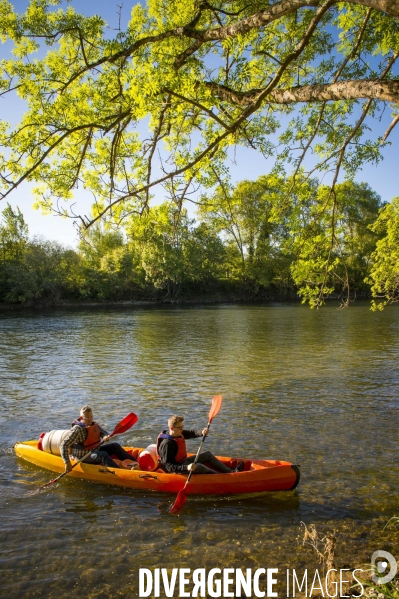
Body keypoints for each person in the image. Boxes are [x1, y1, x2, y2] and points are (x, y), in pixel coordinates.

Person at [60, 405, 138, 473]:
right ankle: (118, 472)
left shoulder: (93, 424)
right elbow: (63, 445)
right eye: (87, 418)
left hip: (94, 450)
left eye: (91, 417)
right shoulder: (77, 429)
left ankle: (135, 462)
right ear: (81, 418)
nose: (90, 419)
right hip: (83, 456)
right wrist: (67, 463)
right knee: (103, 455)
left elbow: (103, 432)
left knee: (115, 446)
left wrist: (105, 436)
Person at [156, 415, 244, 474]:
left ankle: (231, 472)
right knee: (199, 467)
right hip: (176, 469)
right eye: (180, 427)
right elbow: (169, 466)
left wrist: (201, 432)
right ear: (171, 428)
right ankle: (222, 478)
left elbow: (191, 433)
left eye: (182, 426)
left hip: (183, 462)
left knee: (208, 455)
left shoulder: (178, 433)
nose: (182, 429)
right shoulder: (167, 444)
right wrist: (186, 468)